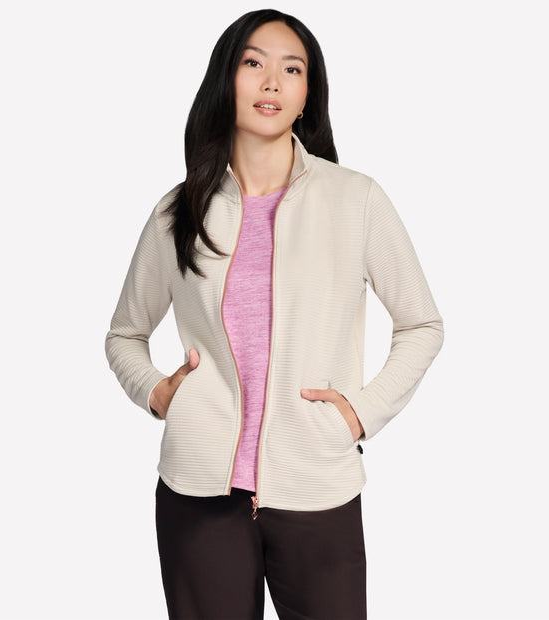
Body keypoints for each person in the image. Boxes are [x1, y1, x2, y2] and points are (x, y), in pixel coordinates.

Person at [104, 8, 444, 619]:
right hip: (198, 494)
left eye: (292, 69)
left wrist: (359, 414)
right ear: (225, 80)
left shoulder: (356, 199)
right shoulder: (177, 212)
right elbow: (125, 334)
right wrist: (157, 393)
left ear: (308, 94)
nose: (271, 82)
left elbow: (422, 324)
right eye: (253, 63)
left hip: (317, 485)